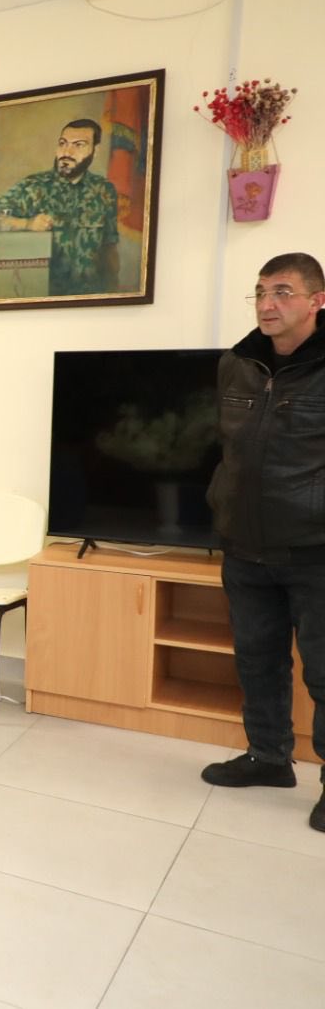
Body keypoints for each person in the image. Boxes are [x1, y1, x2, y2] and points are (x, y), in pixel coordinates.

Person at [201, 252, 325, 835]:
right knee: (257, 660)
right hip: (244, 544)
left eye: (282, 292)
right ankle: (269, 757)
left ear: (317, 301)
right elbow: (226, 448)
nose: (267, 304)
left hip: (314, 548)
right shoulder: (237, 364)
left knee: (323, 673)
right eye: (260, 292)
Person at [0, 119, 120, 296]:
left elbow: (109, 248)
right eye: (62, 143)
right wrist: (27, 224)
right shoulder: (34, 187)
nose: (67, 152)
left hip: (92, 297)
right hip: (46, 298)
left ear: (95, 151)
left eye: (78, 145)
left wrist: (114, 294)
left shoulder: (104, 190)